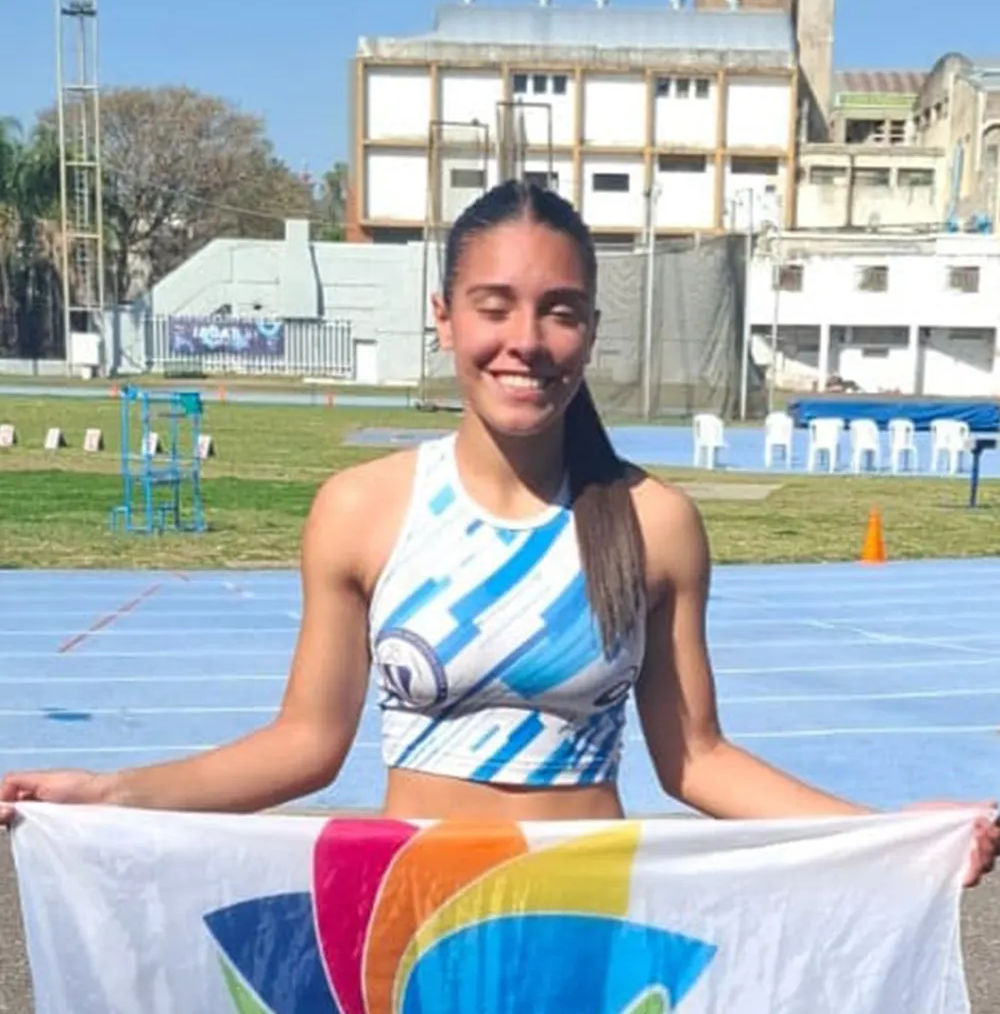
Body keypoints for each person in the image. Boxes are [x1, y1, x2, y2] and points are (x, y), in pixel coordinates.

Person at [1, 180, 996, 886]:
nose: (526, 340)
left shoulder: (655, 523)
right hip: (410, 915)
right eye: (495, 306)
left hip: (589, 921)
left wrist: (885, 837)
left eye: (560, 312)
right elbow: (304, 743)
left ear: (590, 330)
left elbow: (696, 758)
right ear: (444, 317)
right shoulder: (361, 508)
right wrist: (114, 791)